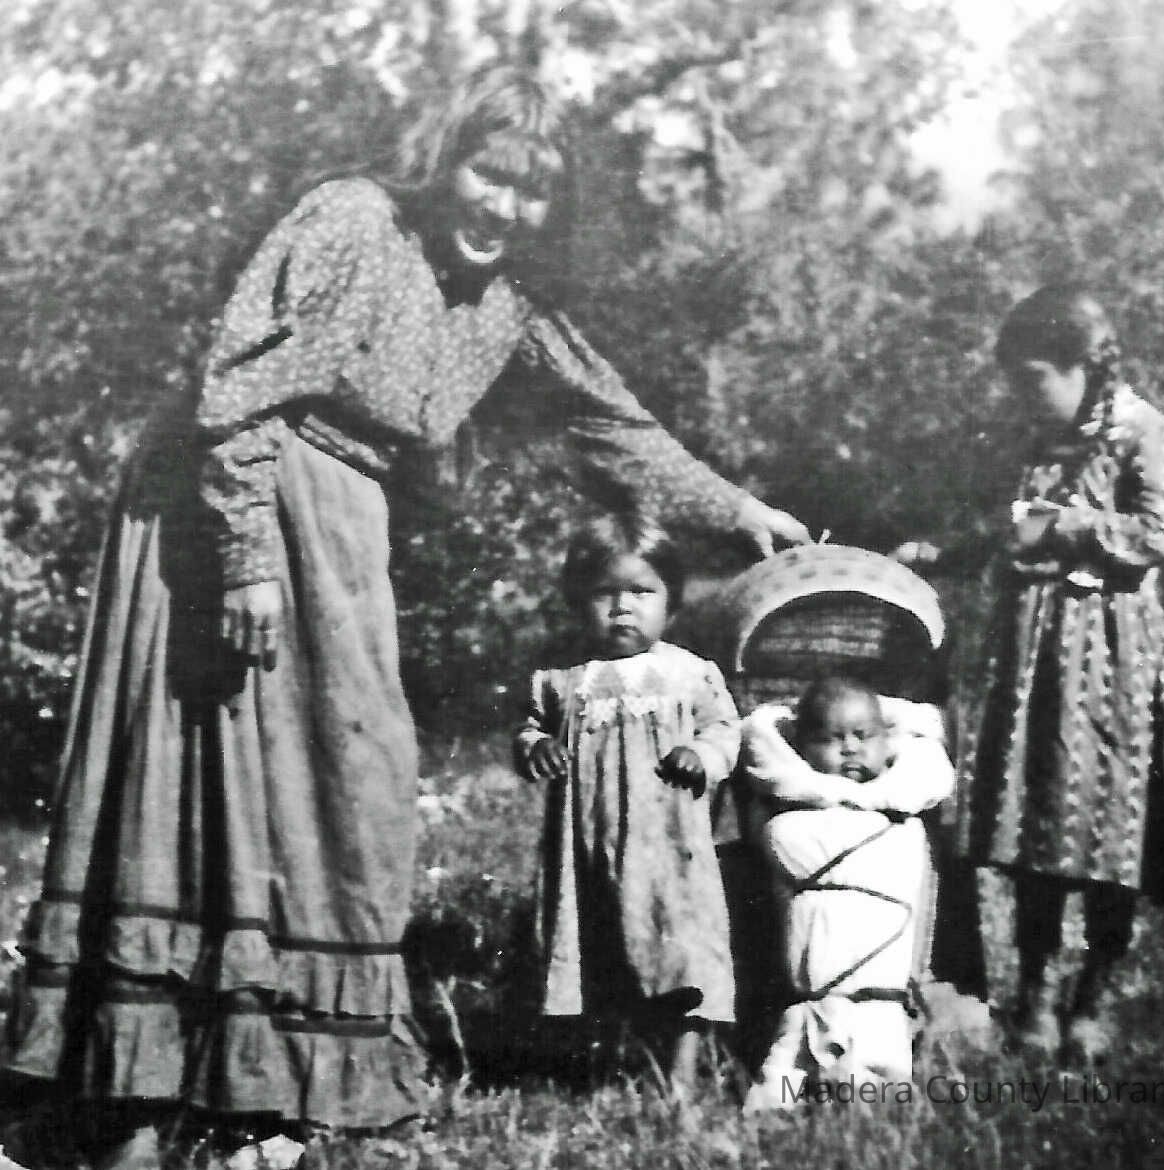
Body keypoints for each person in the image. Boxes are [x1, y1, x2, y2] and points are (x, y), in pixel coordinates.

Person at [2, 67, 807, 1169]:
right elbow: (235, 390)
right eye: (487, 173)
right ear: (443, 159)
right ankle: (132, 1097)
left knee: (352, 781)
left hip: (340, 519)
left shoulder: (509, 299)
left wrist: (739, 511)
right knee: (198, 779)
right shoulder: (351, 219)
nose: (503, 207)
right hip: (220, 510)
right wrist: (244, 561)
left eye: (532, 190)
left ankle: (273, 1077)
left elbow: (609, 424)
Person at [907, 285, 1164, 1064]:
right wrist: (941, 551)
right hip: (1037, 665)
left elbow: (1157, 534)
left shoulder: (1148, 435)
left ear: (1084, 364)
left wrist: (1067, 526)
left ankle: (1091, 998)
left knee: (1115, 834)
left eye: (1033, 378)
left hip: (1112, 660)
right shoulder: (1036, 444)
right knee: (1040, 826)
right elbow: (1007, 527)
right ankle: (1036, 996)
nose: (1022, 396)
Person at [513, 514, 741, 1094]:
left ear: (672, 603)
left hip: (670, 850)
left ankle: (681, 1074)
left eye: (641, 592)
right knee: (597, 943)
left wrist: (701, 754)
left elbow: (724, 730)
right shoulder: (562, 679)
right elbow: (530, 727)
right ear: (576, 602)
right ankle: (605, 1065)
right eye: (603, 593)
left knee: (683, 946)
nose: (621, 608)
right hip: (587, 848)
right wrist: (536, 746)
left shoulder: (689, 673)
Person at [737, 677, 954, 1109]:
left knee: (879, 1088)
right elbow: (761, 731)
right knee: (780, 1088)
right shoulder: (791, 818)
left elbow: (927, 733)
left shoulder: (905, 807)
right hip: (809, 997)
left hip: (880, 997)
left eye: (863, 735)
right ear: (800, 746)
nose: (850, 748)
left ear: (888, 740)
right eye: (829, 738)